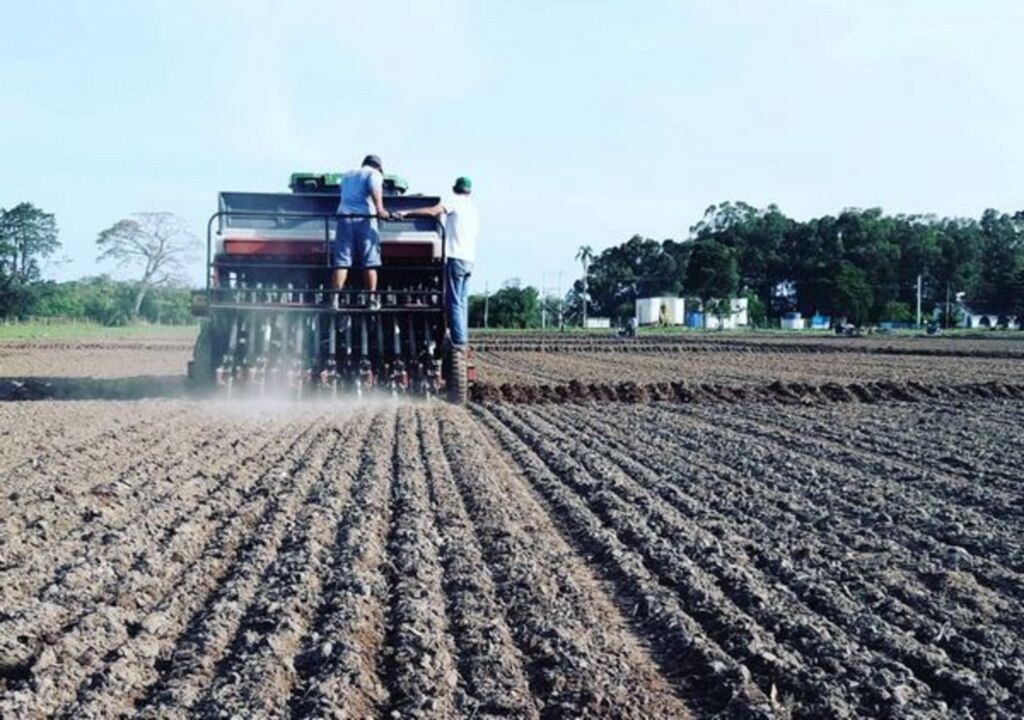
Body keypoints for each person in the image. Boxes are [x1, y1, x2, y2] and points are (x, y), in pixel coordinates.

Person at [399, 176, 479, 347]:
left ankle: (458, 342)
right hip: (469, 260)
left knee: (453, 301)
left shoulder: (454, 200)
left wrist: (407, 213)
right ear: (469, 191)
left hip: (455, 257)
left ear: (454, 188)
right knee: (462, 302)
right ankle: (462, 339)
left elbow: (433, 211)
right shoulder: (472, 208)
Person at [334, 154, 392, 309]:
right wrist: (380, 210)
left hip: (344, 218)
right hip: (363, 219)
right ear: (378, 167)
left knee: (342, 261)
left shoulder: (347, 175)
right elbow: (374, 189)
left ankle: (335, 299)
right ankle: (371, 300)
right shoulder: (374, 174)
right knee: (370, 261)